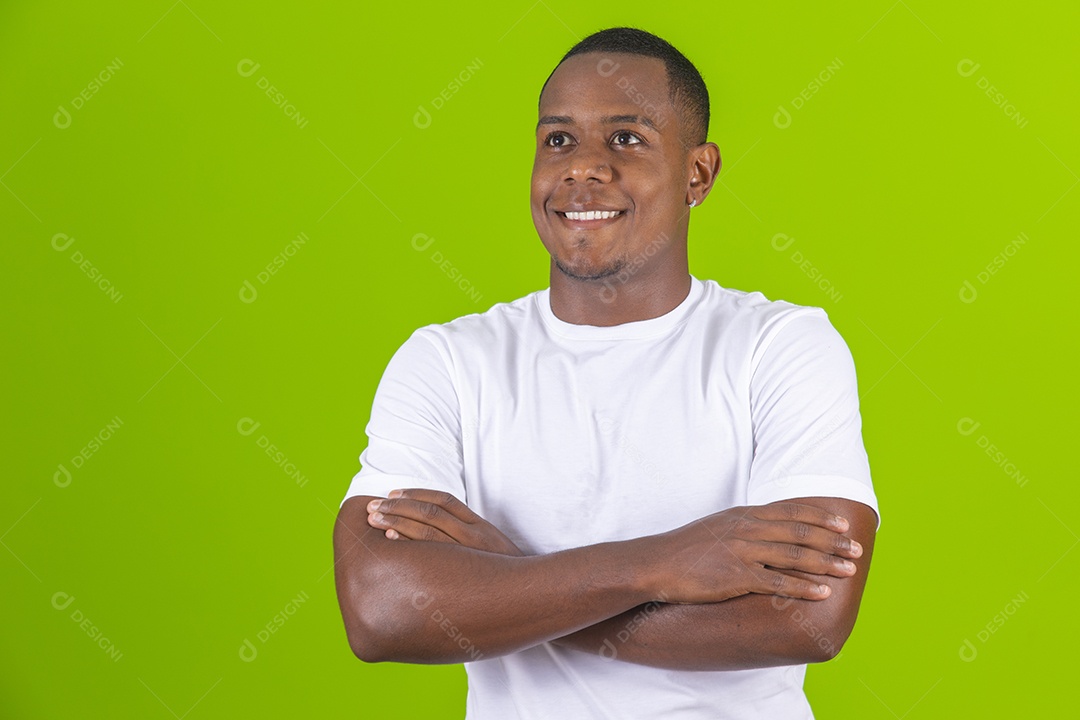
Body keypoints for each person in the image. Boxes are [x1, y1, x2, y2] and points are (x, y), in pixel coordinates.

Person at [333, 26, 879, 719]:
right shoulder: (446, 361)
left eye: (626, 138)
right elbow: (381, 613)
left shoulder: (779, 347)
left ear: (698, 173)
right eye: (559, 139)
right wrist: (662, 562)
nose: (584, 168)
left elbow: (808, 622)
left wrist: (511, 572)